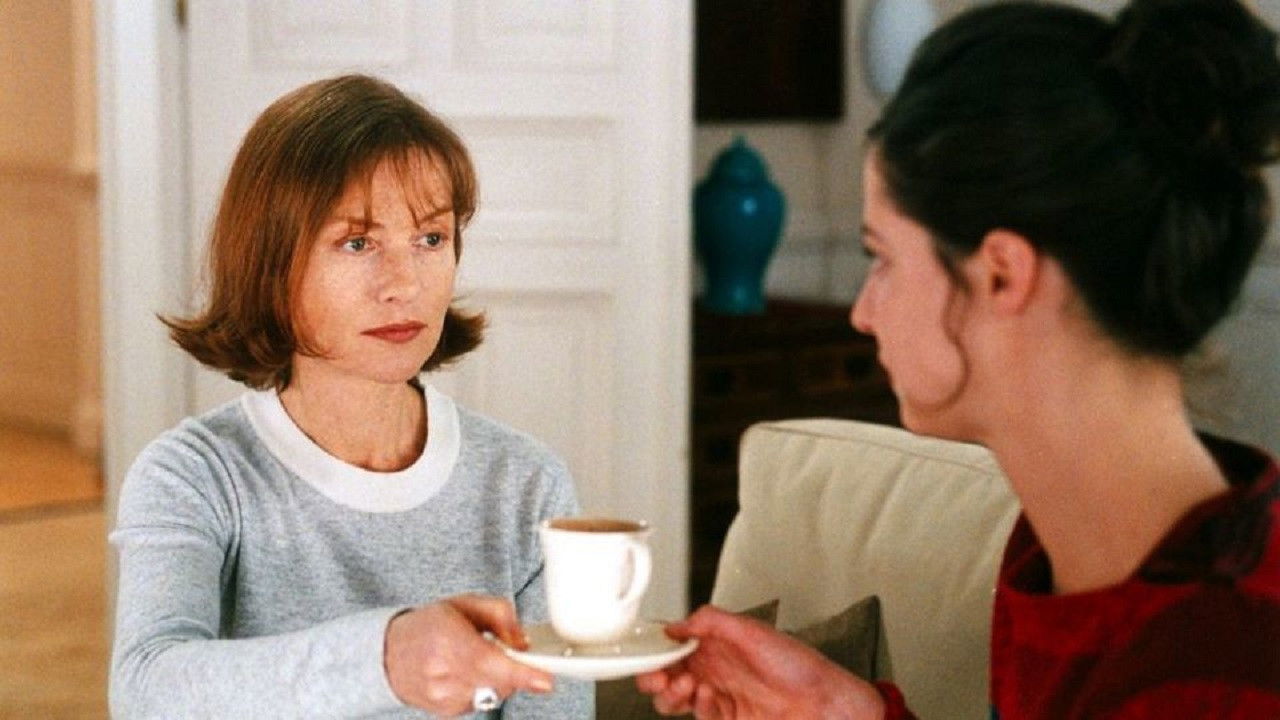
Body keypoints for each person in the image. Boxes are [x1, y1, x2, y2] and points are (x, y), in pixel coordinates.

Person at [639, 0, 1280, 718]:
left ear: (1002, 274)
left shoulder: (1219, 673)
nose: (862, 312)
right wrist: (845, 712)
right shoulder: (1052, 556)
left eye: (882, 258)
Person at [109, 74, 592, 719]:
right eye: (358, 243)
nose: (404, 284)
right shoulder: (193, 476)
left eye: (430, 239)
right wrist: (385, 659)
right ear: (270, 264)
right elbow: (145, 691)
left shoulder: (527, 485)